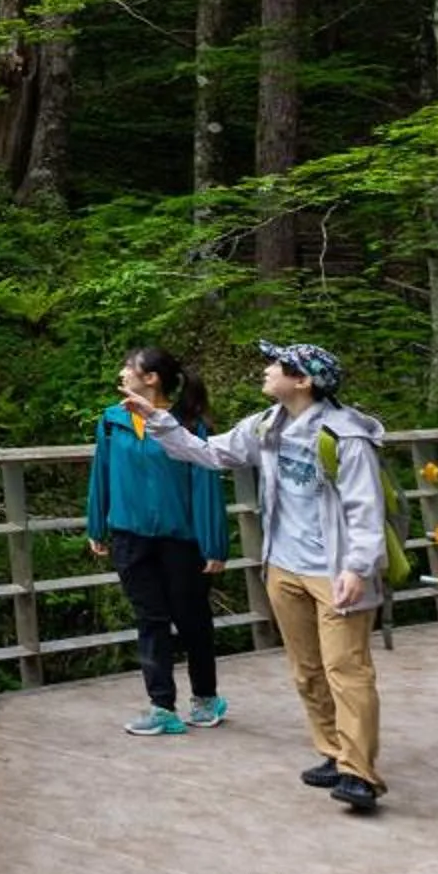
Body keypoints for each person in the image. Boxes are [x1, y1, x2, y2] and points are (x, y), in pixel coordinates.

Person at [121, 340, 391, 814]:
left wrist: (358, 566)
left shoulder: (345, 435)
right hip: (284, 566)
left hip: (335, 570)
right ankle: (332, 752)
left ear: (302, 381)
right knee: (306, 670)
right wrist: (159, 420)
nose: (266, 370)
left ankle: (359, 774)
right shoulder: (267, 425)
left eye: (277, 365)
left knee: (346, 670)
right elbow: (209, 453)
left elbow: (365, 506)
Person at [85, 347, 230, 737]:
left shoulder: (186, 424)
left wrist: (214, 544)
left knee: (191, 619)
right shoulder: (113, 420)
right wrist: (97, 524)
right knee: (150, 619)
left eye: (128, 368)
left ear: (151, 379)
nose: (121, 372)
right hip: (130, 536)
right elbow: (102, 471)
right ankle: (161, 705)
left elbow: (204, 483)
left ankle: (205, 698)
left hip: (181, 538)